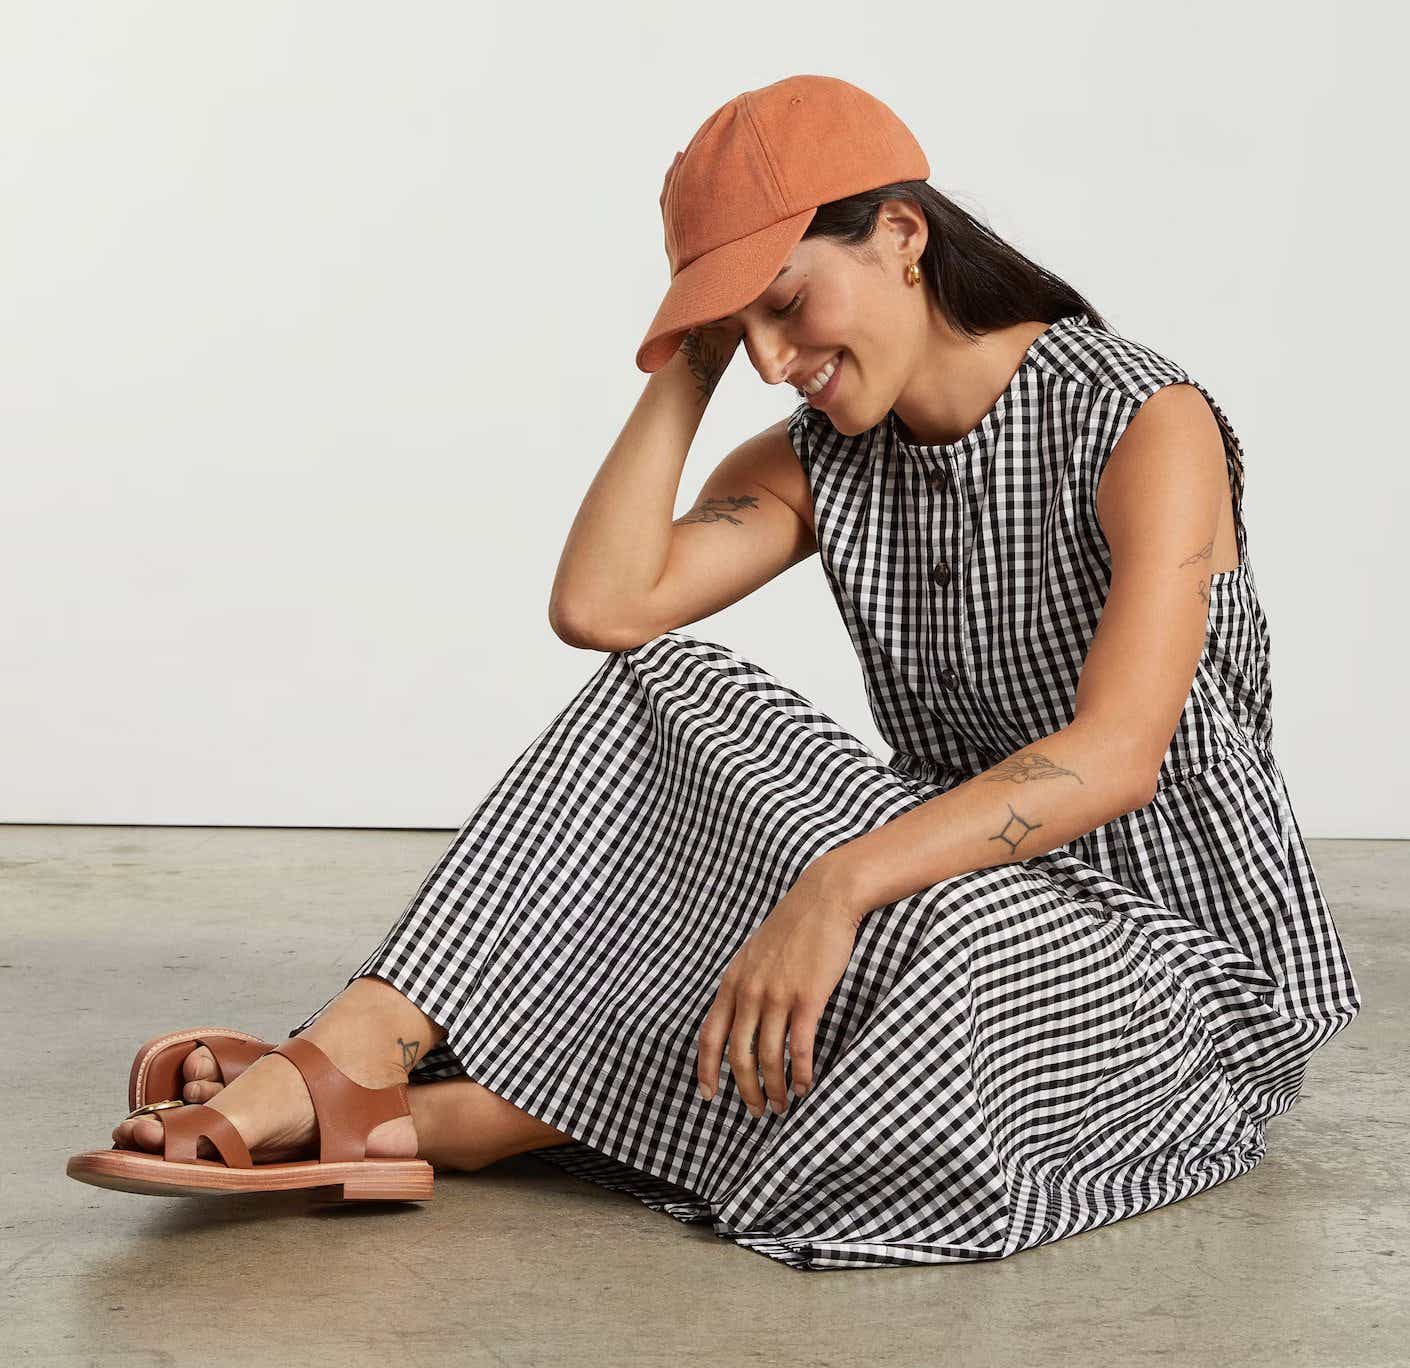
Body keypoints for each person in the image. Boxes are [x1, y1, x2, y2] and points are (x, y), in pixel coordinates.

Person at [67, 74, 1362, 1272]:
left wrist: (835, 881)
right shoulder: (825, 455)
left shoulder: (1142, 421)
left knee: (932, 945)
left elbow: (1118, 751)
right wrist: (689, 340)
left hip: (1178, 966)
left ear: (903, 237)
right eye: (731, 325)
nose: (764, 355)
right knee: (665, 688)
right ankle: (355, 1057)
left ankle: (463, 1119)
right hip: (941, 884)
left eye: (785, 303)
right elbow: (605, 606)